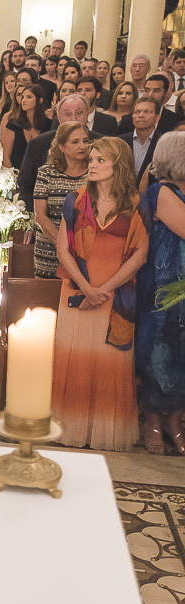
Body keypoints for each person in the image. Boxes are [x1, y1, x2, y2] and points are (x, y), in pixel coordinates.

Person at [53, 136, 148, 452]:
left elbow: (140, 254)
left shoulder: (135, 205)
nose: (91, 164)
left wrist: (103, 291)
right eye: (91, 159)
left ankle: (103, 432)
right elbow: (63, 250)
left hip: (115, 298)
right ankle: (71, 428)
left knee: (109, 365)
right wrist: (86, 288)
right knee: (75, 361)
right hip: (77, 292)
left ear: (118, 165)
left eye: (100, 160)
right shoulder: (75, 200)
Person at [135, 132, 185, 455]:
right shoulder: (161, 191)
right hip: (163, 288)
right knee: (160, 352)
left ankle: (174, 421)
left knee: (183, 353)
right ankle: (152, 420)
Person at [17, 94, 96, 210]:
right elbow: (25, 185)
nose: (74, 118)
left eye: (79, 113)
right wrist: (35, 214)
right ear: (59, 118)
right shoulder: (38, 144)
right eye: (68, 114)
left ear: (87, 114)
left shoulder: (100, 143)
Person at [33, 122, 90, 278]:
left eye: (85, 141)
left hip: (86, 251)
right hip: (50, 250)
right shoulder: (46, 173)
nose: (82, 146)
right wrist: (63, 245)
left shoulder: (93, 172)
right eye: (75, 142)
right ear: (62, 147)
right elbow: (40, 215)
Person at [118, 96, 161, 185]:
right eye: (137, 112)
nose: (141, 115)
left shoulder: (163, 143)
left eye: (147, 112)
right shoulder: (120, 141)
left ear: (157, 118)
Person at [1, 84, 46, 168]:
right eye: (22, 97)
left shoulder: (48, 124)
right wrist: (12, 174)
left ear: (40, 100)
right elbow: (6, 157)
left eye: (29, 97)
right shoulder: (13, 124)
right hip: (17, 171)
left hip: (41, 173)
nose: (24, 100)